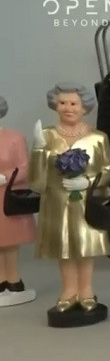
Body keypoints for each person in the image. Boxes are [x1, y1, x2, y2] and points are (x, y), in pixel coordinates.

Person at [30, 83, 110, 324]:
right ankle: (68, 291)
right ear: (54, 105)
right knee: (64, 248)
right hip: (56, 203)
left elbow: (108, 172)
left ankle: (86, 290)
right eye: (62, 103)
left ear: (84, 107)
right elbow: (36, 180)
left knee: (85, 247)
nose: (68, 108)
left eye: (73, 103)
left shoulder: (98, 138)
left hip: (86, 202)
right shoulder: (46, 136)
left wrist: (87, 182)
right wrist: (38, 150)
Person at [0, 96, 37, 302]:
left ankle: (14, 280)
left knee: (10, 241)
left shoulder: (14, 138)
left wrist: (5, 177)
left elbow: (25, 167)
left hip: (7, 197)